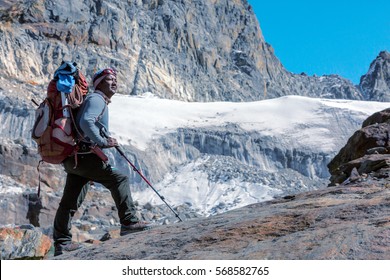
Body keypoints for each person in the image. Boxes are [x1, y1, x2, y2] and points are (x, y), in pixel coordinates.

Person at [53, 67, 150, 256]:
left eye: (115, 79)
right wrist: (104, 141)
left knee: (69, 201)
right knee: (119, 179)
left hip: (73, 159)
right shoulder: (97, 99)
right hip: (86, 157)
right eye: (109, 79)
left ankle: (62, 243)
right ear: (98, 83)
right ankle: (129, 222)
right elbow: (86, 122)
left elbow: (86, 122)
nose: (114, 82)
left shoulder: (92, 100)